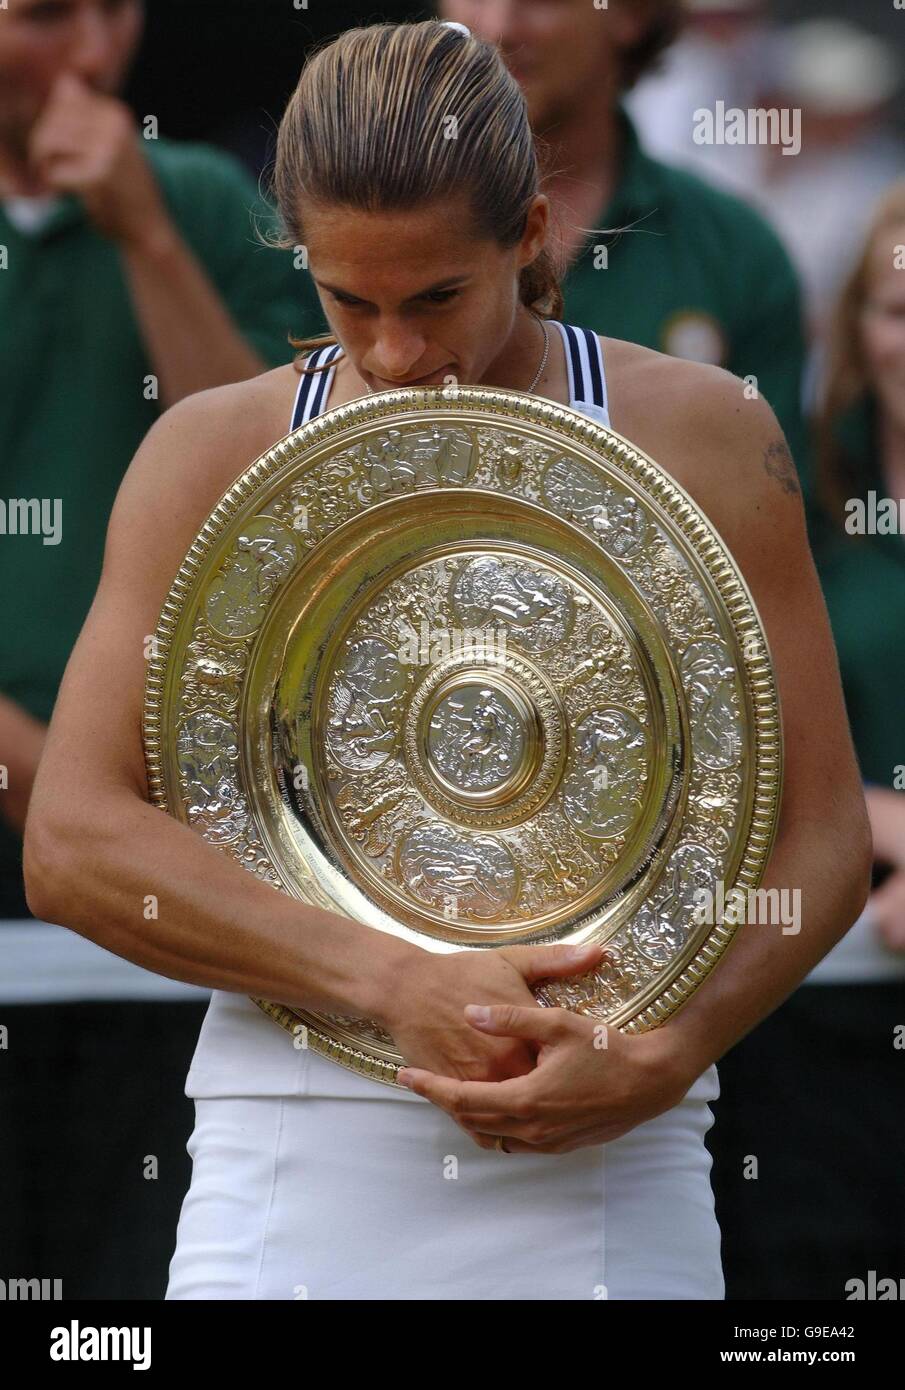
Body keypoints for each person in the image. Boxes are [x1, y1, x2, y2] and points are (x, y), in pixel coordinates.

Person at [24, 19, 871, 1301]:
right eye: (345, 300)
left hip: (610, 1139)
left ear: (527, 234)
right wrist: (390, 980)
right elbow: (73, 843)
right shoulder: (204, 454)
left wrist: (663, 1053)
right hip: (290, 1147)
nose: (393, 353)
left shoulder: (706, 436)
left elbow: (818, 840)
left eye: (434, 299)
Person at [0, 0, 324, 1299]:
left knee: (143, 1264)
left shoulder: (201, 198)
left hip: (176, 855)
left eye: (107, 19)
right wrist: (55, 787)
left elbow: (283, 500)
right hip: (108, 827)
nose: (84, 61)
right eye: (39, 19)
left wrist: (144, 231)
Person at [709, 181, 905, 1299]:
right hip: (809, 1028)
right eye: (892, 309)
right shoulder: (797, 515)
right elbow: (739, 738)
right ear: (852, 329)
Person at [438, 0, 811, 491]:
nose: (500, 26)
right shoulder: (349, 229)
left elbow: (767, 516)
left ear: (630, 14)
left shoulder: (736, 251)